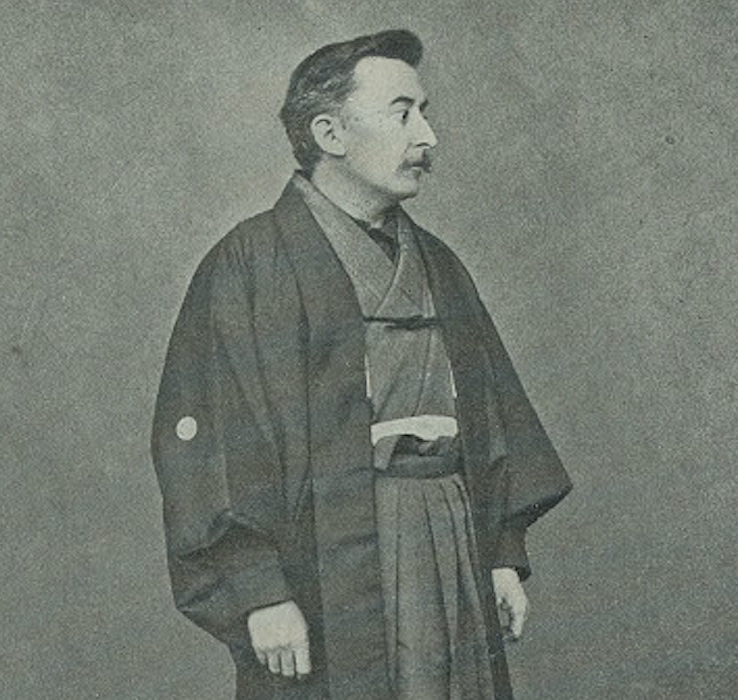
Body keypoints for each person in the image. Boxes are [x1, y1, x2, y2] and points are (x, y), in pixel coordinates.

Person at [151, 29, 572, 700]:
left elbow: (495, 419)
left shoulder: (440, 266)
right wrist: (259, 591)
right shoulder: (249, 265)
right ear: (329, 133)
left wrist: (500, 554)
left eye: (424, 112)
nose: (428, 136)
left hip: (451, 539)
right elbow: (215, 450)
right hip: (327, 559)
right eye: (402, 114)